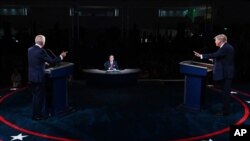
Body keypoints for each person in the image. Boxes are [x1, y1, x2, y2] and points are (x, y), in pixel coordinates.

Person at [28, 34, 68, 121]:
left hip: (31, 77)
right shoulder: (41, 51)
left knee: (35, 96)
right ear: (43, 42)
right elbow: (53, 61)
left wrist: (43, 63)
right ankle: (37, 116)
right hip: (39, 77)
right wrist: (61, 56)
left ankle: (34, 114)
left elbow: (35, 60)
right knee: (39, 97)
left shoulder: (30, 49)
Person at [193, 34, 235, 116]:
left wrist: (201, 55)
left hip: (227, 73)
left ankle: (226, 112)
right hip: (227, 73)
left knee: (225, 94)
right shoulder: (226, 47)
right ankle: (226, 110)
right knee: (225, 93)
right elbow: (222, 58)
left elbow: (215, 55)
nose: (215, 42)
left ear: (220, 41)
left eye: (216, 40)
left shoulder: (226, 47)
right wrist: (213, 59)